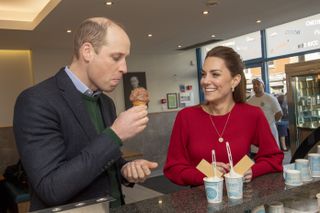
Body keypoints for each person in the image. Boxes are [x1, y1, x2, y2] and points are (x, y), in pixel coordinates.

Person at [13, 17, 158, 211]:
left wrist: (124, 169)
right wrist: (115, 134)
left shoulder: (106, 102)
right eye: (116, 57)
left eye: (126, 58)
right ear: (87, 51)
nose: (124, 68)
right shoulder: (36, 100)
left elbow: (104, 158)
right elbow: (51, 188)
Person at [163, 46, 283, 186]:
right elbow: (173, 168)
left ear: (235, 80)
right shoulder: (186, 117)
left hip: (242, 200)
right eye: (203, 74)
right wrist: (204, 174)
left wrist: (253, 170)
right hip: (200, 202)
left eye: (215, 74)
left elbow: (274, 157)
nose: (205, 81)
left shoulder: (252, 114)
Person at [247, 78, 283, 148]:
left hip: (269, 131)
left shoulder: (270, 98)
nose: (256, 86)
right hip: (256, 133)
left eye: (258, 84)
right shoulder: (250, 101)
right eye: (254, 84)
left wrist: (270, 122)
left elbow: (279, 113)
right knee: (257, 154)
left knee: (271, 152)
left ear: (263, 86)